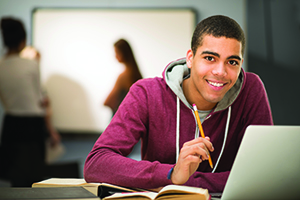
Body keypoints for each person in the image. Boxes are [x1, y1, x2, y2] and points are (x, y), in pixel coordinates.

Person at [84, 15, 273, 193]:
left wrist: (184, 181)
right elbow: (96, 164)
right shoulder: (147, 93)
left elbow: (263, 175)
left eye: (232, 62)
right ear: (190, 58)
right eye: (209, 58)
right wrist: (172, 173)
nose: (221, 71)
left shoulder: (251, 89)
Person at [0, 17, 60, 186]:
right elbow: (41, 101)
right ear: (23, 40)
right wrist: (51, 130)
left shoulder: (0, 65)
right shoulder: (31, 65)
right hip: (32, 126)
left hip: (11, 125)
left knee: (15, 179)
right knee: (35, 180)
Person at [104, 39, 143, 115]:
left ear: (124, 53)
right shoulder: (137, 75)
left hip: (120, 117)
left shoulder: (124, 76)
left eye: (117, 53)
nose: (115, 56)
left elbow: (107, 102)